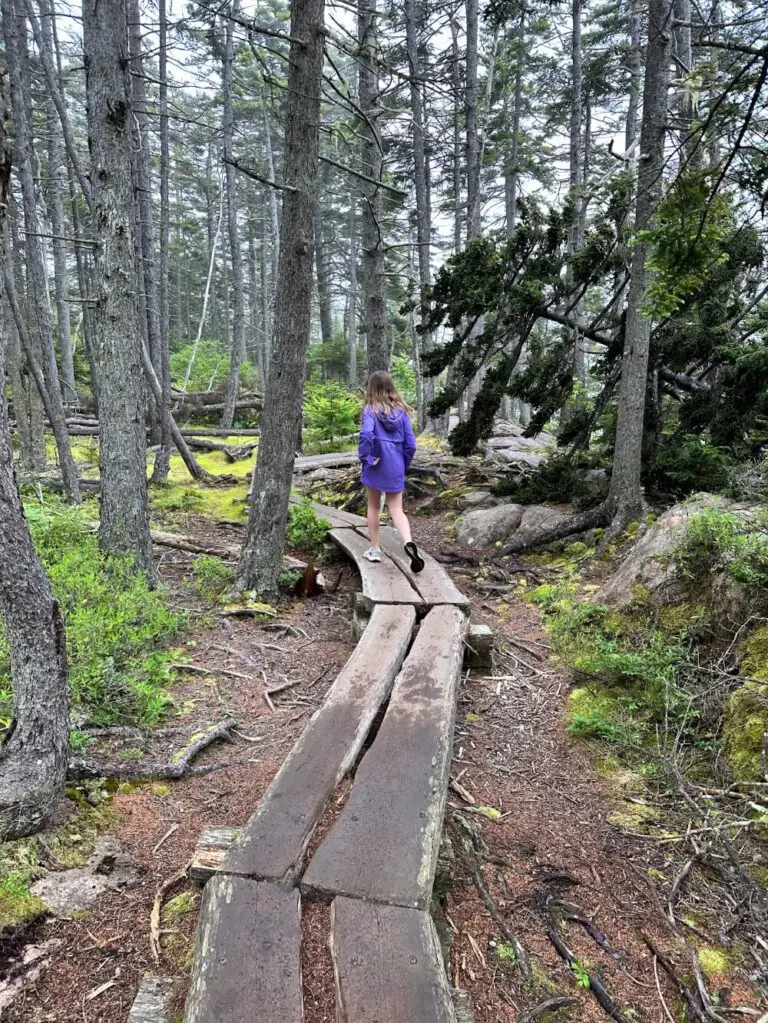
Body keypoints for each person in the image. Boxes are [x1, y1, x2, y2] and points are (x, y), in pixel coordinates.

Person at [358, 371, 425, 573]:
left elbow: (367, 433)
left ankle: (375, 549)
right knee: (397, 508)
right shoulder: (401, 412)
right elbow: (411, 444)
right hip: (396, 460)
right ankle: (408, 541)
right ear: (390, 387)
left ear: (371, 387)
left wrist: (366, 457)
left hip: (377, 461)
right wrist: (402, 464)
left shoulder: (370, 410)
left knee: (374, 506)